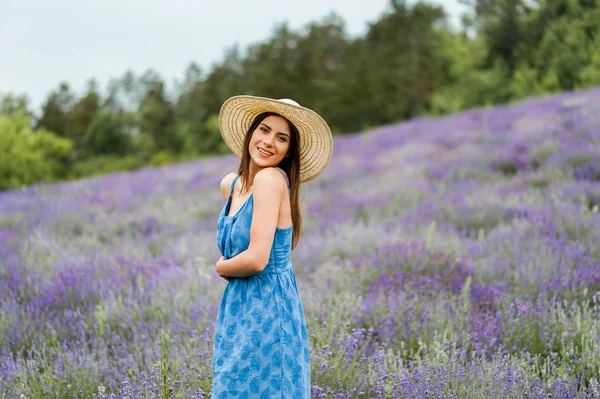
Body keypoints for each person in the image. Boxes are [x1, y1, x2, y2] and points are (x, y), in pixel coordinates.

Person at [212, 96, 333, 398]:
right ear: (251, 132)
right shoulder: (232, 184)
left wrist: (219, 266)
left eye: (282, 138)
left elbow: (255, 260)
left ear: (289, 150)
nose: (269, 142)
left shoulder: (270, 179)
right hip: (238, 307)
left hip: (268, 308)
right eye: (264, 130)